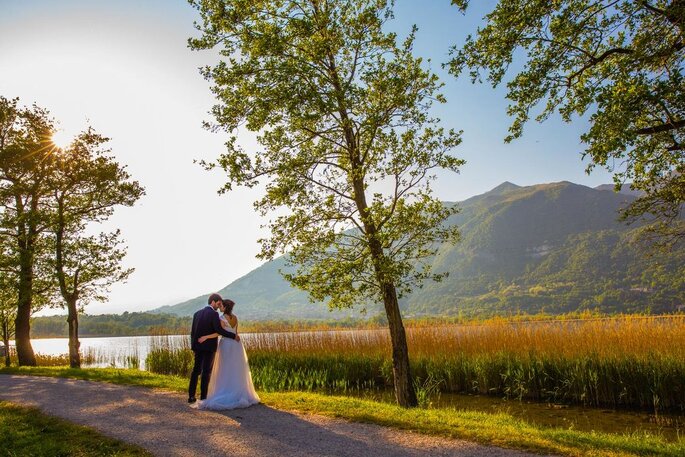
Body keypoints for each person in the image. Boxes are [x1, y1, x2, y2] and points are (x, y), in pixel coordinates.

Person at [197, 298, 260, 410]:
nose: (220, 307)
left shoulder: (221, 318)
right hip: (236, 344)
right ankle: (237, 391)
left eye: (221, 306)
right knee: (236, 368)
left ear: (225, 307)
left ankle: (226, 390)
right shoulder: (235, 318)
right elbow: (235, 333)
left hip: (226, 344)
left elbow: (218, 332)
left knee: (225, 368)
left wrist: (206, 336)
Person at [188, 293, 239, 404]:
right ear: (213, 302)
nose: (219, 306)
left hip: (197, 347)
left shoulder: (196, 314)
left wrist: (194, 346)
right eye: (218, 303)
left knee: (195, 371)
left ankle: (191, 396)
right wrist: (233, 336)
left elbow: (193, 332)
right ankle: (203, 397)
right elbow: (219, 331)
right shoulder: (214, 314)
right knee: (206, 372)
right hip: (209, 348)